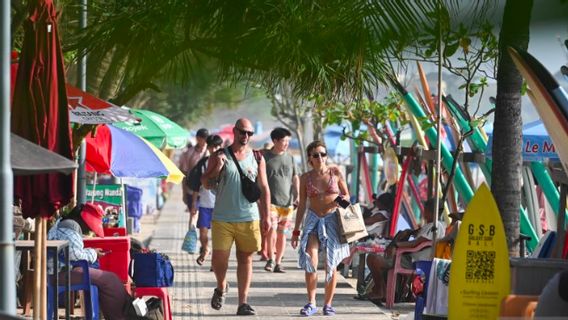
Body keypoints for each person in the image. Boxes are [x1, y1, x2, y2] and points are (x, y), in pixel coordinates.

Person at [201, 118, 271, 316]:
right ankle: (221, 286)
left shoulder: (257, 157)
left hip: (249, 216)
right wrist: (217, 168)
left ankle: (243, 302)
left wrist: (267, 216)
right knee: (219, 259)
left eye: (249, 133)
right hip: (223, 217)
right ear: (234, 131)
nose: (245, 136)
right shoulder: (220, 155)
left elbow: (264, 188)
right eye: (242, 132)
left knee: (245, 259)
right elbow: (206, 183)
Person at [290, 140, 350, 317]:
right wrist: (295, 231)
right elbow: (301, 205)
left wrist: (338, 201)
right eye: (316, 155)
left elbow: (346, 195)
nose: (320, 158)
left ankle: (328, 304)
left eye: (323, 154)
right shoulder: (305, 178)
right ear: (310, 158)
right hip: (313, 219)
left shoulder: (335, 173)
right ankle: (311, 302)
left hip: (332, 219)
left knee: (331, 264)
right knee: (310, 257)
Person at [47, 203, 131, 320]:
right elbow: (74, 255)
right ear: (83, 219)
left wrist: (91, 252)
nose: (89, 231)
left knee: (109, 278)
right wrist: (93, 253)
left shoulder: (65, 224)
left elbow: (71, 251)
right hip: (59, 273)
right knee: (110, 280)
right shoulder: (70, 227)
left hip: (60, 271)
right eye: (90, 227)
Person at [366, 198, 445, 305]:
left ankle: (380, 290)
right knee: (373, 258)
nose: (424, 212)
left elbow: (417, 244)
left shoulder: (436, 226)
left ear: (432, 211)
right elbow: (417, 239)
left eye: (426, 210)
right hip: (409, 258)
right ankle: (381, 290)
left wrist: (397, 245)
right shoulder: (429, 225)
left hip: (415, 261)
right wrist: (408, 233)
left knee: (374, 259)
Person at [261, 127, 299, 273]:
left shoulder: (290, 158)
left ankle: (278, 262)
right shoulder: (265, 157)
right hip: (271, 202)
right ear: (275, 141)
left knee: (282, 234)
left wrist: (298, 196)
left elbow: (295, 177)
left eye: (288, 141)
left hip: (287, 203)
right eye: (284, 141)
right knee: (272, 230)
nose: (286, 144)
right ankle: (270, 258)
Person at [190, 134, 223, 266]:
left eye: (217, 147)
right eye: (212, 147)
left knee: (218, 235)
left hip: (220, 205)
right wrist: (194, 203)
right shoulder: (203, 163)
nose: (214, 150)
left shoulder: (227, 162)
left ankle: (215, 260)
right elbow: (196, 185)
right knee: (203, 231)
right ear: (208, 147)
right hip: (204, 203)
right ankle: (206, 248)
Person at [179, 128, 209, 212]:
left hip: (206, 192)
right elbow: (184, 174)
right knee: (193, 214)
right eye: (202, 138)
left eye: (206, 138)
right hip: (191, 189)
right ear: (197, 138)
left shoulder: (211, 152)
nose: (204, 141)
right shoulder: (189, 153)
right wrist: (184, 193)